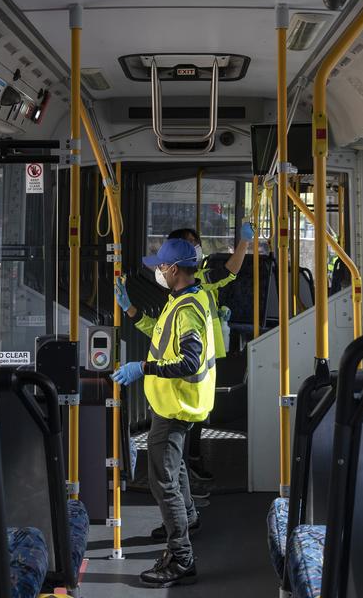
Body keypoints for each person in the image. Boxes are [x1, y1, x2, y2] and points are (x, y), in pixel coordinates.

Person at [112, 238, 216, 588]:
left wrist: (143, 367)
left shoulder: (186, 310)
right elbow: (162, 336)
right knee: (176, 465)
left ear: (174, 269)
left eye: (161, 265)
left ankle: (181, 556)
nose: (158, 270)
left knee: (162, 479)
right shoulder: (189, 298)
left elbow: (188, 361)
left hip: (176, 404)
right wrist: (131, 312)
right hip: (173, 403)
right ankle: (187, 516)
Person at [167, 222, 255, 484]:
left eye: (196, 242)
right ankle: (188, 466)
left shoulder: (194, 276)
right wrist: (244, 243)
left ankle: (190, 463)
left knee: (199, 413)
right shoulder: (191, 279)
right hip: (191, 356)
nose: (195, 246)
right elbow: (230, 271)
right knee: (192, 415)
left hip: (204, 355)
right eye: (188, 242)